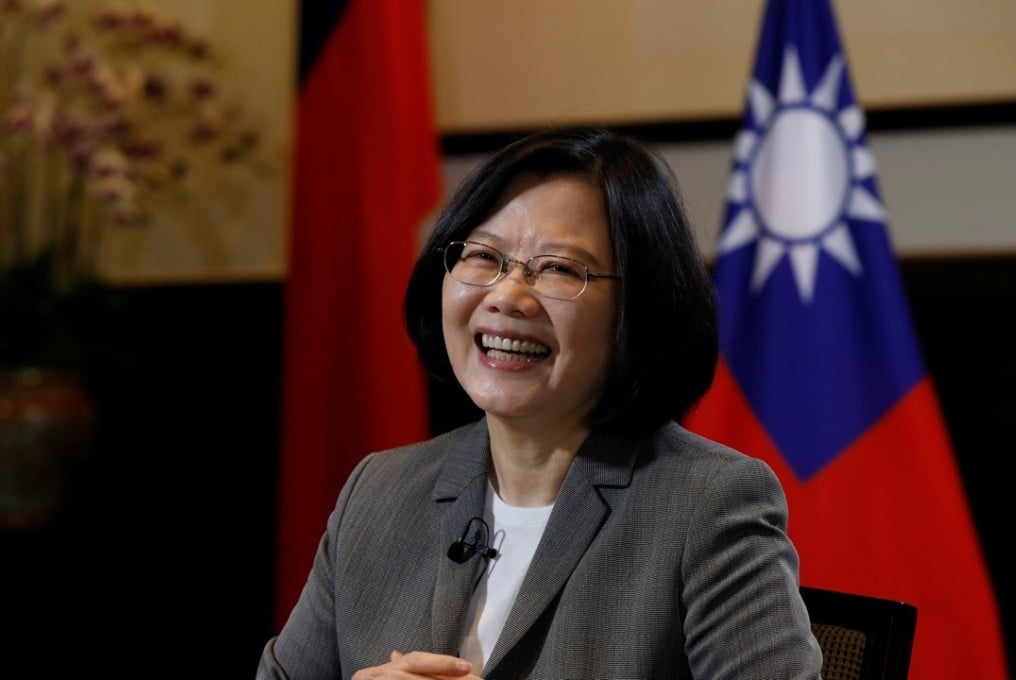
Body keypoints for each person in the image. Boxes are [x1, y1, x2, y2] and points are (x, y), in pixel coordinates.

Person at [257, 125, 823, 679]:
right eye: (483, 257)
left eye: (558, 269)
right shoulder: (378, 494)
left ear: (639, 309)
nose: (507, 295)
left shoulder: (707, 505)